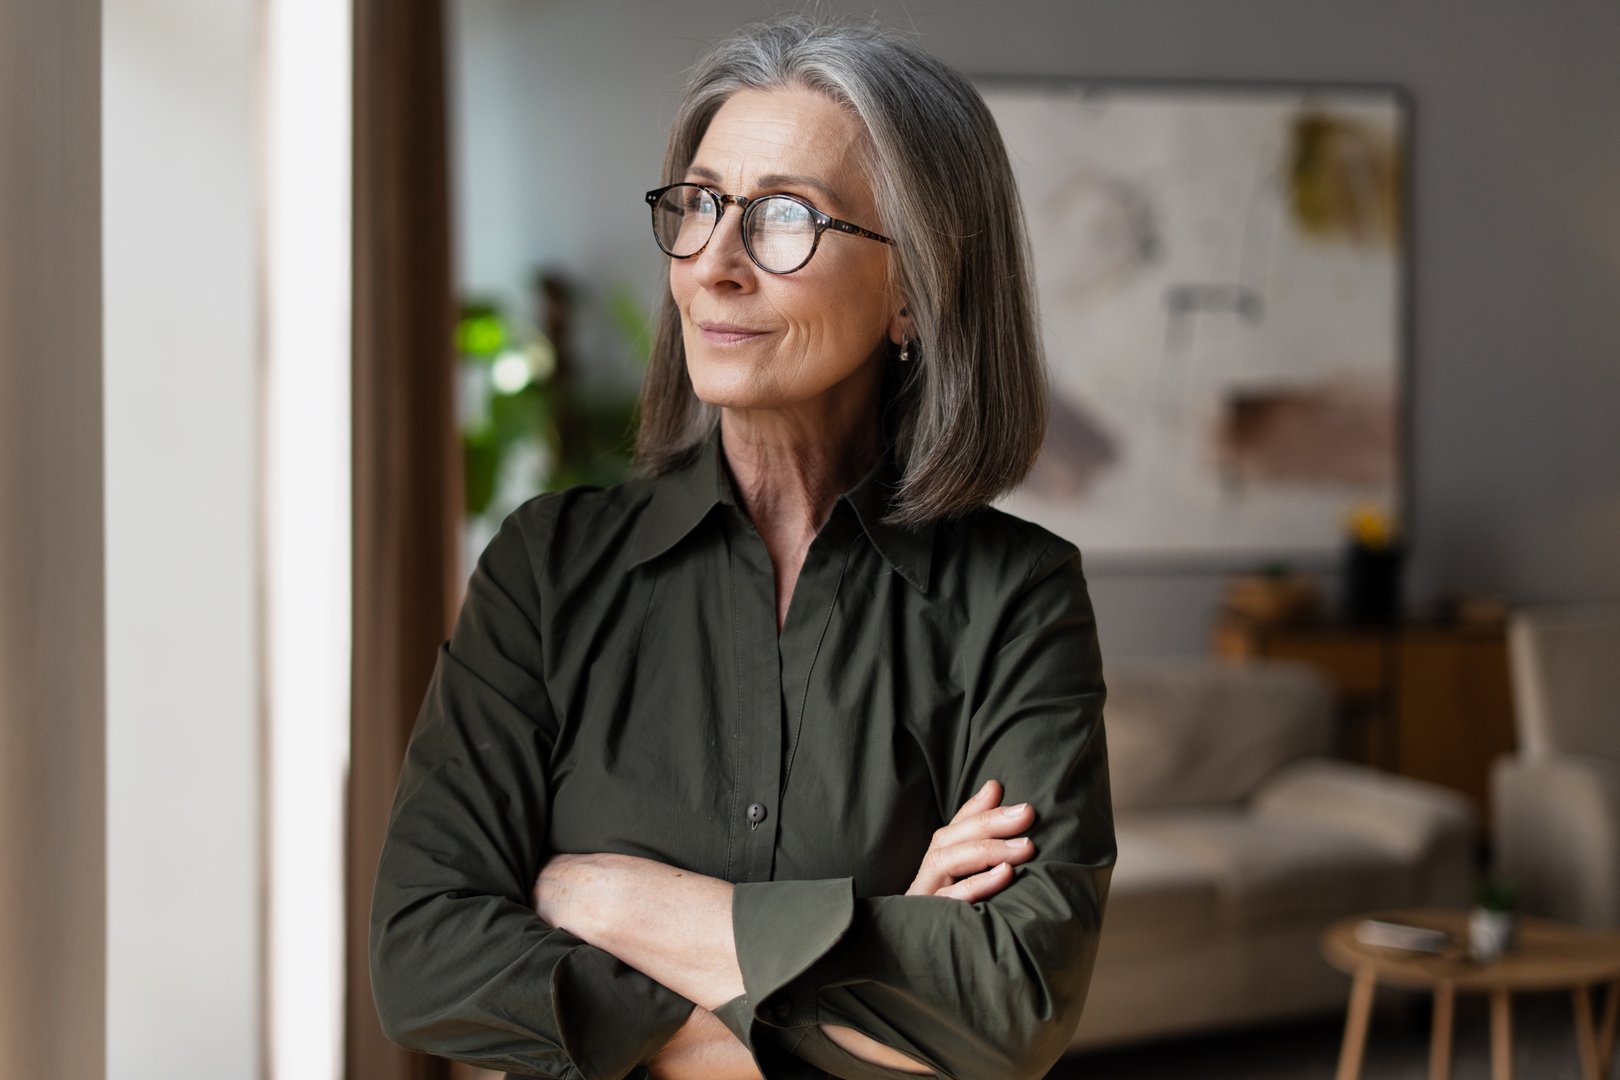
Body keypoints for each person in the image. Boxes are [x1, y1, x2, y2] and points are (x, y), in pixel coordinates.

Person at [370, 14, 1114, 1080]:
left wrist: (602, 898)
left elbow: (1014, 995)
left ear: (913, 288)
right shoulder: (546, 569)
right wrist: (867, 955)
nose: (714, 263)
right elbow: (422, 958)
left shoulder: (1018, 597)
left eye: (784, 217)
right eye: (702, 204)